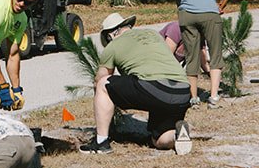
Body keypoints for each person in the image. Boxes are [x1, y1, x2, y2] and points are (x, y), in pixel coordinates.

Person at [81, 13, 195, 154]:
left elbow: (99, 79)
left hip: (154, 88)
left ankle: (101, 142)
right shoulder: (153, 35)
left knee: (103, 85)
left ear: (110, 35)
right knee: (158, 139)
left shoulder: (113, 46)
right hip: (183, 92)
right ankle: (177, 134)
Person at [177, 0, 232, 105]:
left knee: (191, 56)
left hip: (185, 15)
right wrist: (222, 0)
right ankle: (213, 96)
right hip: (209, 14)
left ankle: (193, 98)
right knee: (215, 54)